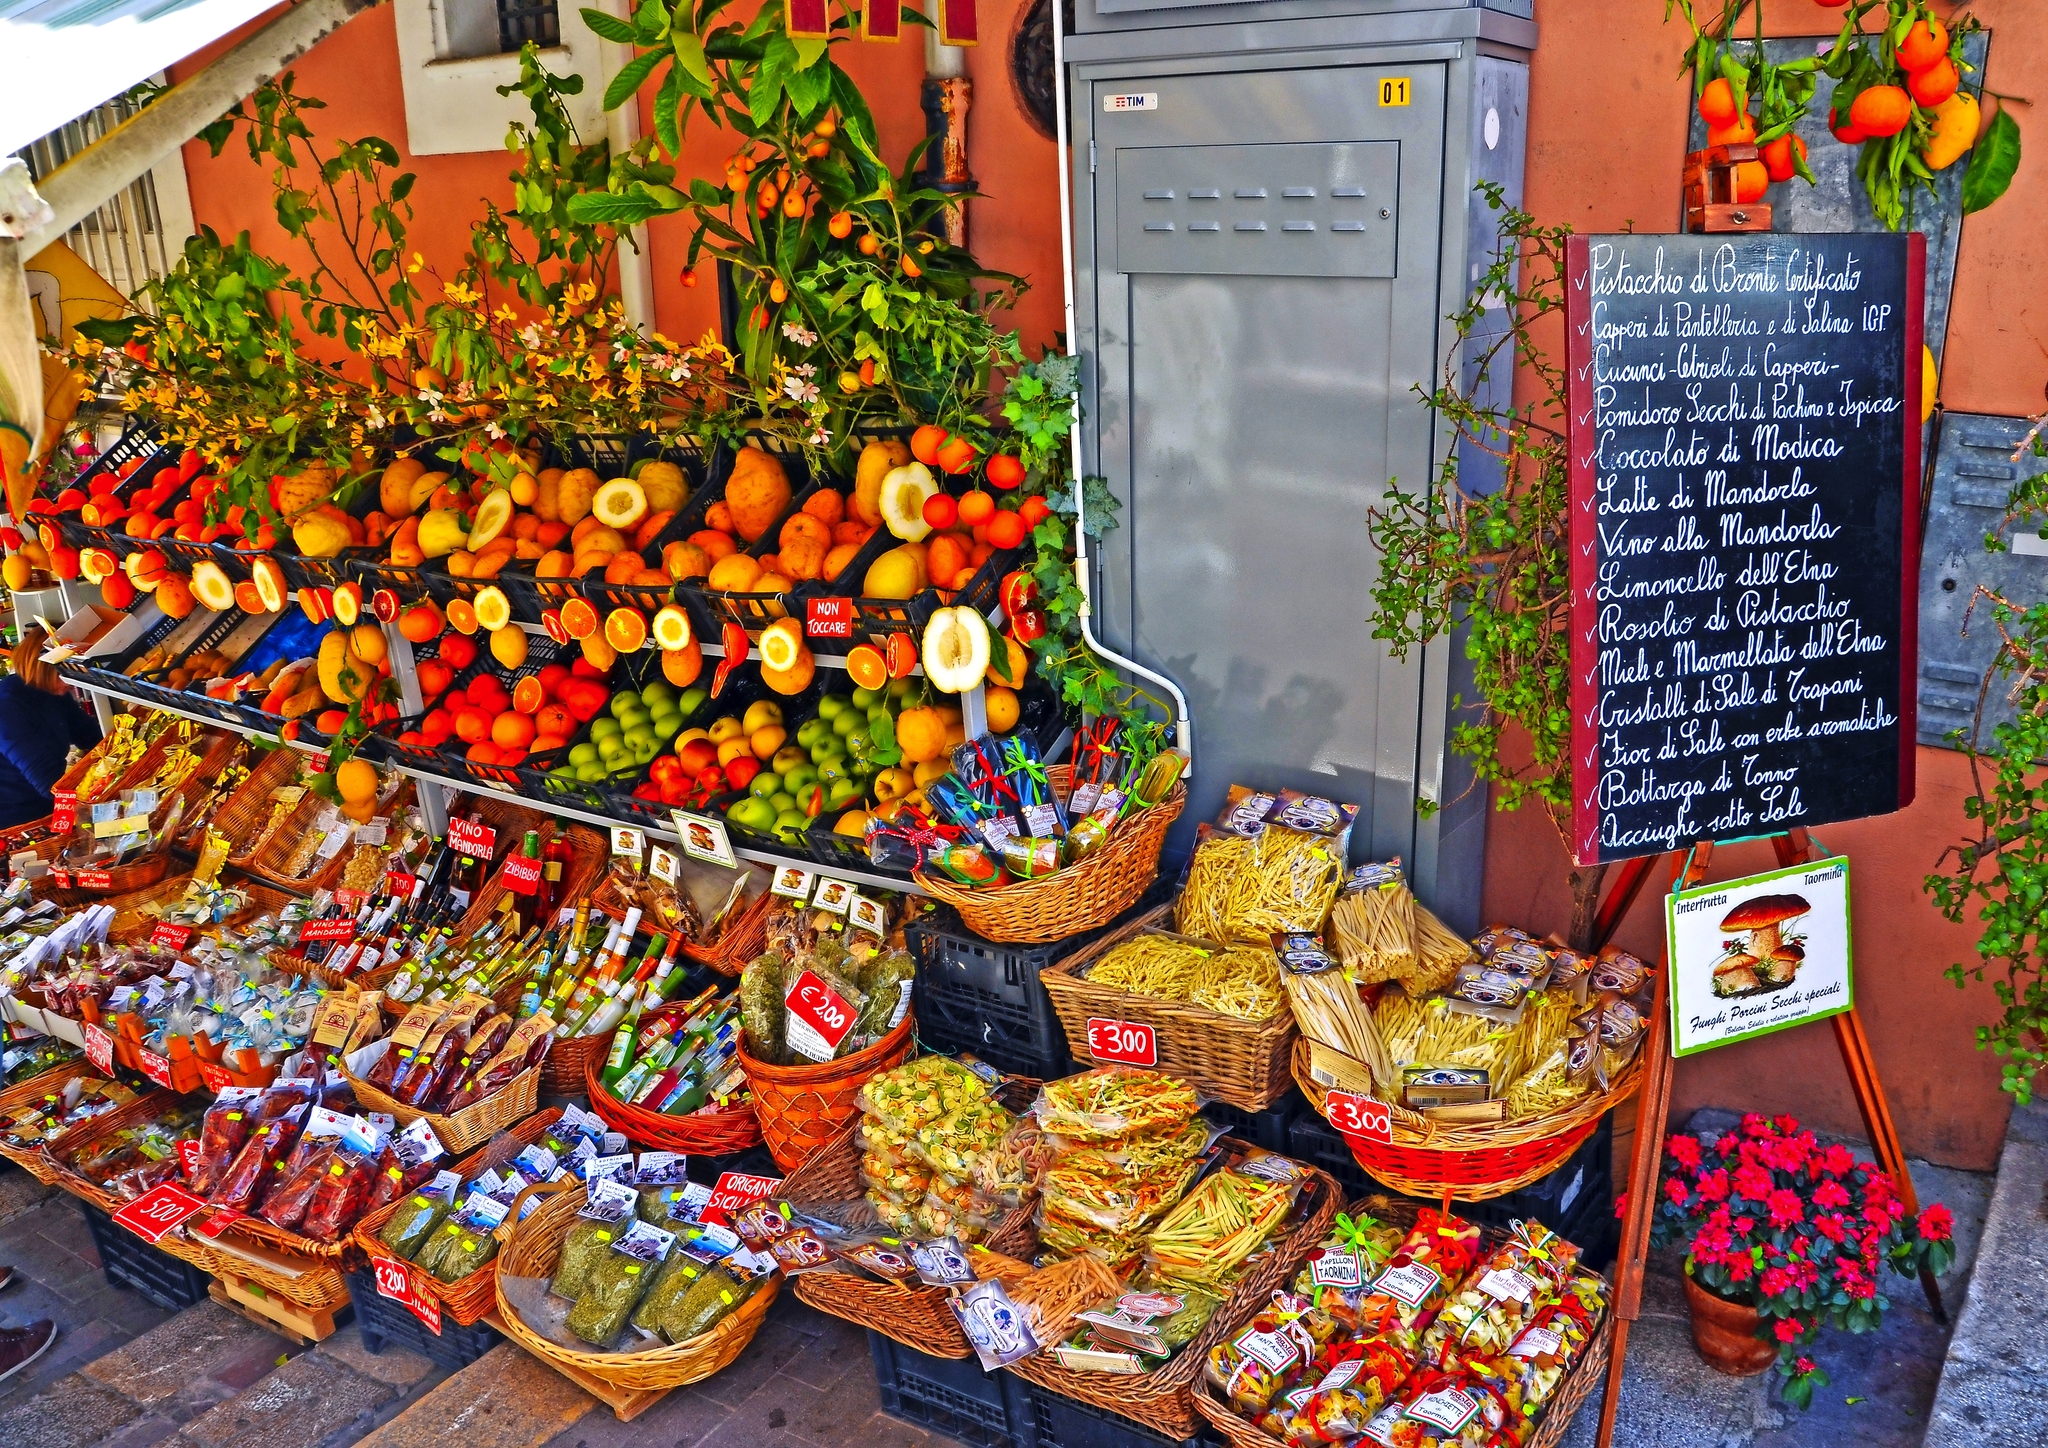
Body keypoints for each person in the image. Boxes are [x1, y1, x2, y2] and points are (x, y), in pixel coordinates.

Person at [0, 626, 103, 829]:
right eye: (64, 672)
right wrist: (89, 817)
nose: (71, 682)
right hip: (16, 817)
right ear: (44, 667)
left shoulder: (53, 691)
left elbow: (89, 735)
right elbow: (46, 778)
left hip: (46, 801)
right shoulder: (7, 706)